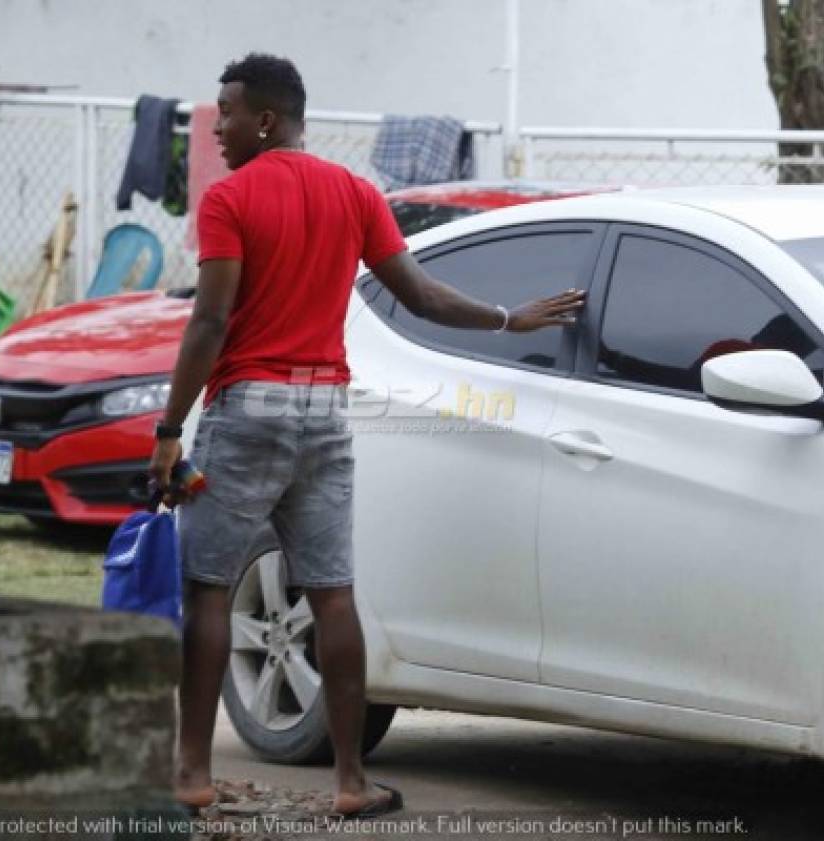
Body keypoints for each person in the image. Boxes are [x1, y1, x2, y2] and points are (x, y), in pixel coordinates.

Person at [148, 53, 585, 818]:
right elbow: (418, 293)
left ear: (268, 120)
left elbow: (209, 321)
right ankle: (351, 781)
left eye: (229, 114)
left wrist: (166, 429)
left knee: (209, 586)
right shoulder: (355, 193)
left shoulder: (229, 199)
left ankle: (191, 772)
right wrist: (508, 318)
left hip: (249, 409)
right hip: (325, 414)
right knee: (334, 593)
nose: (217, 131)